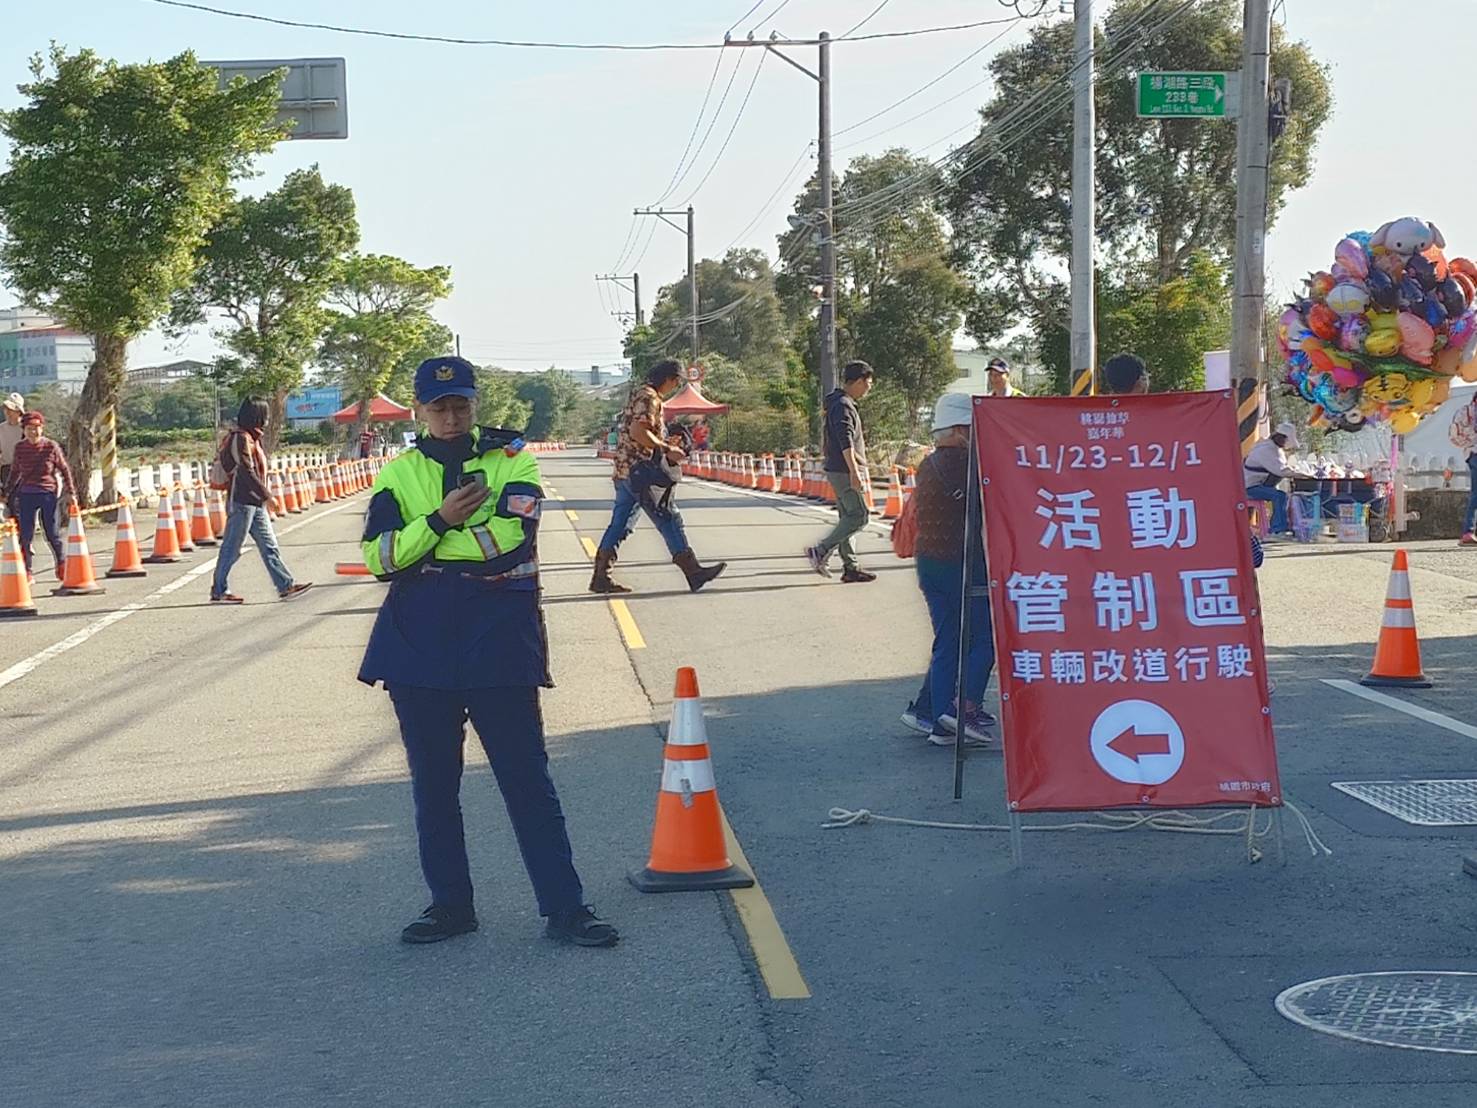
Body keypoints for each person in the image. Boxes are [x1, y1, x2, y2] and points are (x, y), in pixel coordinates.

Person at [360, 355, 617, 948]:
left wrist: (425, 545)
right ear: (421, 411)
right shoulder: (397, 474)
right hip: (419, 645)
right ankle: (450, 907)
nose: (451, 416)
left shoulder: (512, 458)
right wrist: (441, 519)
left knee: (527, 780)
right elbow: (379, 558)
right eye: (439, 407)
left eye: (461, 405)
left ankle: (566, 908)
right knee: (433, 786)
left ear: (475, 405)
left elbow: (508, 539)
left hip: (498, 639)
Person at [898, 393, 997, 746]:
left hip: (929, 562)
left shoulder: (929, 463)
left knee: (950, 639)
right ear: (959, 429)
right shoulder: (966, 464)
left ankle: (929, 711)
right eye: (974, 428)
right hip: (960, 564)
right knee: (985, 638)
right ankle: (957, 712)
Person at [589, 359, 726, 594]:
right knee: (667, 516)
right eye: (676, 382)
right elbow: (638, 431)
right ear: (669, 379)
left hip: (626, 470)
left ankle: (601, 576)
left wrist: (662, 440)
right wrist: (665, 448)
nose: (674, 387)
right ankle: (693, 572)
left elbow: (641, 431)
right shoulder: (649, 397)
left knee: (621, 524)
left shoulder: (642, 394)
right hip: (639, 471)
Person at [210, 398, 313, 604]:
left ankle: (285, 585)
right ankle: (219, 590)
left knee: (269, 546)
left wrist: (263, 498)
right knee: (232, 548)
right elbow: (246, 471)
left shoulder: (252, 438)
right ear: (254, 416)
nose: (266, 420)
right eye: (263, 415)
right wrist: (268, 496)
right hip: (241, 502)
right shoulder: (241, 438)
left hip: (255, 504)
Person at [805, 360, 878, 582]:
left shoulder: (838, 403)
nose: (869, 388)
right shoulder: (843, 405)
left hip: (839, 467)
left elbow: (840, 440)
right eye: (868, 383)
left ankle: (851, 567)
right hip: (843, 471)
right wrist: (854, 471)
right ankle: (821, 550)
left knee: (847, 516)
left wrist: (858, 459)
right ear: (857, 381)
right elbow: (845, 440)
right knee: (859, 516)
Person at [3, 410, 73, 580]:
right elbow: (14, 473)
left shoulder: (51, 446)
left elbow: (64, 469)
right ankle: (27, 570)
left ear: (42, 428)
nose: (33, 432)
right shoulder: (20, 448)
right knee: (25, 535)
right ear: (23, 430)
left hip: (48, 493)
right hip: (26, 494)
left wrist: (71, 492)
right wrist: (6, 492)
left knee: (52, 533)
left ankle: (62, 564)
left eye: (36, 428)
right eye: (29, 428)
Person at [1243, 422, 1302, 536]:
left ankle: (1280, 526)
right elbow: (1280, 470)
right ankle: (1278, 529)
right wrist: (1302, 474)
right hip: (1250, 487)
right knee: (1280, 496)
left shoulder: (1272, 448)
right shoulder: (1265, 450)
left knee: (1281, 495)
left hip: (1258, 484)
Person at [1449, 391, 1477, 545]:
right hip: (1475, 452)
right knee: (1476, 493)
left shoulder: (1464, 411)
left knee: (1476, 493)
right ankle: (1468, 531)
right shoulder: (1465, 412)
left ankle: (1468, 531)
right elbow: (1455, 434)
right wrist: (1471, 440)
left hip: (1472, 452)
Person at [0, 392, 24, 498]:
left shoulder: (26, 429)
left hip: (24, 470)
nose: (8, 413)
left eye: (11, 410)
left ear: (18, 412)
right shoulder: (1, 429)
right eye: (6, 409)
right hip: (6, 470)